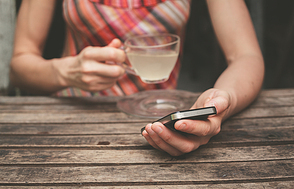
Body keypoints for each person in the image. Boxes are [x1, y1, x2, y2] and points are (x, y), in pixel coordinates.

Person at [10, 0, 264, 156]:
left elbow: (246, 56)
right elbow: (19, 68)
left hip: (156, 121)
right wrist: (64, 71)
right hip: (73, 129)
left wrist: (224, 99)